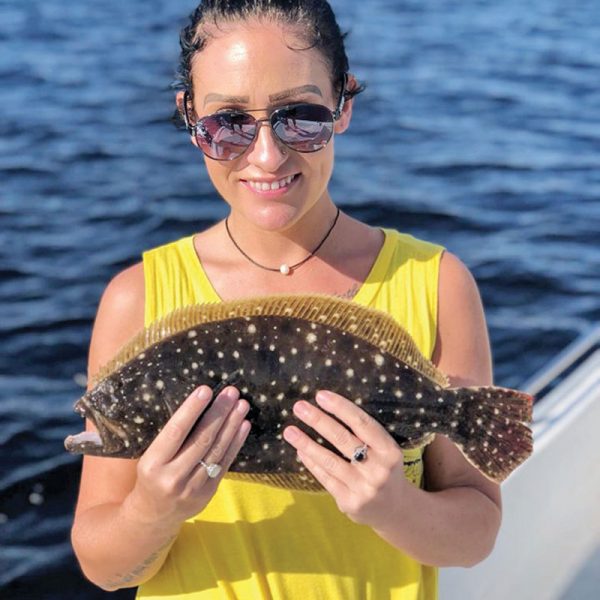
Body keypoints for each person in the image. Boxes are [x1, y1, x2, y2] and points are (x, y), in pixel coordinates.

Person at [70, 1, 501, 598]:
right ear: (189, 117)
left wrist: (393, 505)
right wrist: (153, 509)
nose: (267, 155)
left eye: (300, 115)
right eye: (228, 123)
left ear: (343, 104)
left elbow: (476, 537)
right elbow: (101, 565)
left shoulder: (437, 282)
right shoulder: (134, 300)